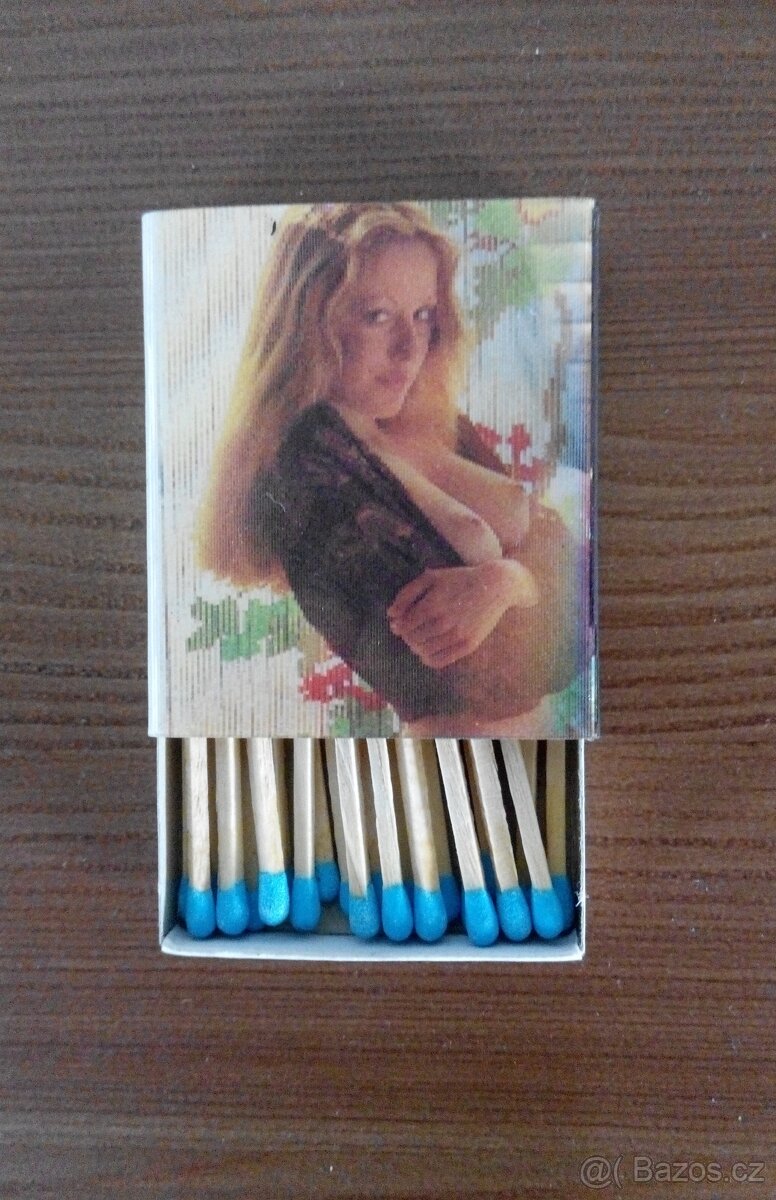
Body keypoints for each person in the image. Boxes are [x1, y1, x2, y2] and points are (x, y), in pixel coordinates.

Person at [197, 202, 582, 735]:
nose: (410, 347)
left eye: (423, 314)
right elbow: (501, 673)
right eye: (378, 316)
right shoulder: (309, 477)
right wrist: (538, 581)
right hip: (453, 765)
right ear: (310, 322)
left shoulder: (431, 423)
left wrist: (507, 580)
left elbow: (581, 593)